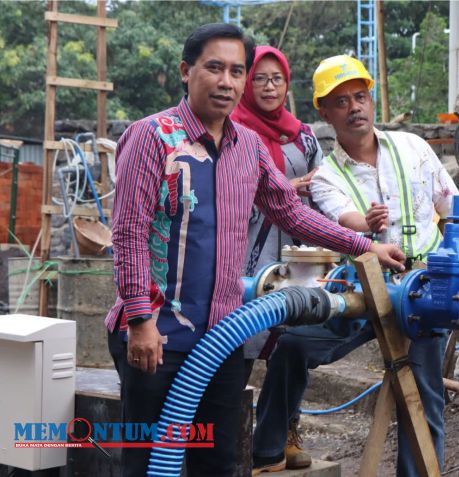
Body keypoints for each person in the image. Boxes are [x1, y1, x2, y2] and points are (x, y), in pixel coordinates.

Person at [104, 25, 405, 477]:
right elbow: (128, 232)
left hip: (223, 338)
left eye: (237, 71)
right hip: (157, 335)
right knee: (152, 463)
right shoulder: (152, 137)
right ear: (187, 72)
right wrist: (140, 320)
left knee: (220, 462)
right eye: (214, 68)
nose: (227, 81)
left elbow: (291, 213)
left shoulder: (248, 146)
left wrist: (366, 247)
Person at [252, 55, 459, 476]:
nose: (354, 108)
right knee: (292, 347)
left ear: (372, 99)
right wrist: (366, 227)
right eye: (341, 101)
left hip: (423, 294)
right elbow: (342, 219)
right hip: (363, 291)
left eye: (360, 97)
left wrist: (457, 266)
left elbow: (451, 208)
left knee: (423, 401)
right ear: (324, 113)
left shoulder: (413, 148)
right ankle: (268, 451)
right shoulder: (326, 176)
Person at [231, 46, 321, 277]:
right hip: (246, 258)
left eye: (277, 78)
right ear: (247, 82)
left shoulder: (304, 137)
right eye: (259, 78)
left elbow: (323, 191)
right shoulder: (230, 134)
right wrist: (282, 190)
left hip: (301, 258)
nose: (269, 87)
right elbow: (225, 199)